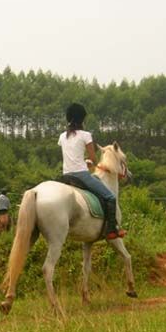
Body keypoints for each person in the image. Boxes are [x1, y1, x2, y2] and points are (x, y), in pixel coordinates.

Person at [58, 102, 121, 240]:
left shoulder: (63, 136)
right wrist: (89, 162)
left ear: (68, 118)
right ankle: (112, 230)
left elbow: (69, 154)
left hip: (65, 176)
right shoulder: (86, 135)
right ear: (82, 119)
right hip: (81, 175)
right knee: (110, 197)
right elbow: (93, 159)